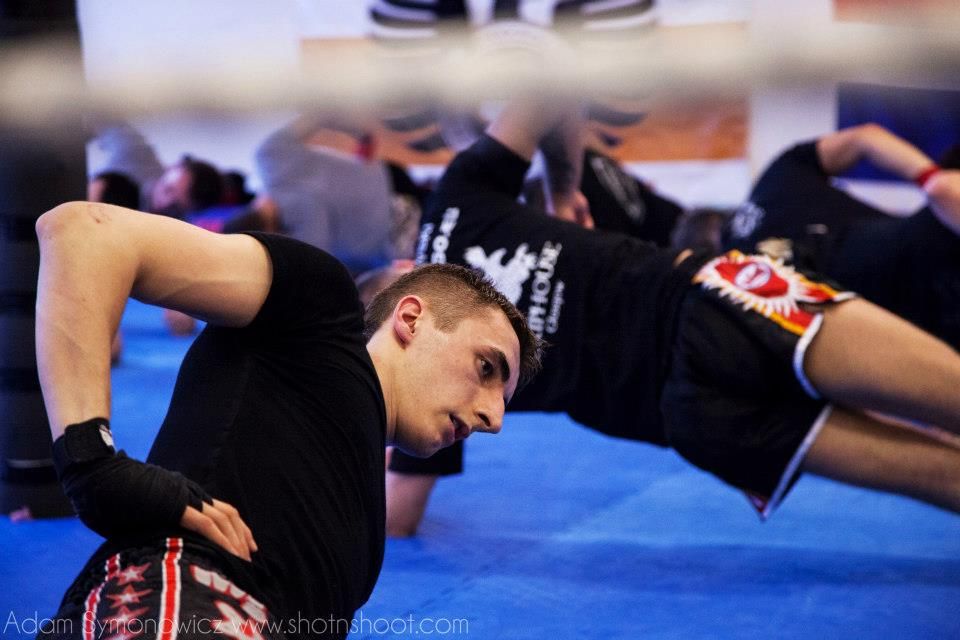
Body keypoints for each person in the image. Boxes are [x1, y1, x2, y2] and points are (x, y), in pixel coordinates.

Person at [381, 97, 960, 536]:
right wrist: (562, 192)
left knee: (943, 472)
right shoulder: (455, 216)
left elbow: (397, 518)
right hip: (706, 318)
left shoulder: (429, 380)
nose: (492, 412)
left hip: (693, 407)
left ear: (407, 315)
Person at [34, 201, 540, 639]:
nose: (494, 418)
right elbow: (85, 232)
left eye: (504, 399)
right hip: (182, 596)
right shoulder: (322, 313)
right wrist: (88, 460)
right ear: (410, 319)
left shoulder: (363, 511)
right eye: (486, 368)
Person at [727, 123, 960, 349]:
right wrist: (932, 180)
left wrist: (935, 182)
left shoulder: (731, 282)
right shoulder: (775, 180)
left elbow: (866, 138)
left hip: (915, 318)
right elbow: (866, 137)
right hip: (921, 273)